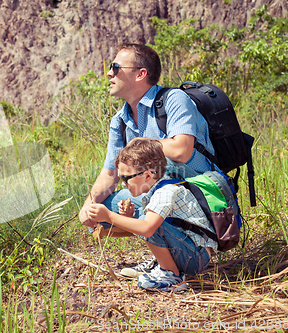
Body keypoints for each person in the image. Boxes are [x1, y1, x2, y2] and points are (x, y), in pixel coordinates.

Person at [79, 43, 215, 276]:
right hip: (156, 191)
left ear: (141, 74)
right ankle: (162, 256)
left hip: (193, 193)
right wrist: (88, 206)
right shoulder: (119, 120)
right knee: (103, 207)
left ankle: (180, 258)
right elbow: (110, 174)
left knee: (152, 200)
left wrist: (140, 143)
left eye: (115, 67)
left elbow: (182, 149)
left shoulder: (174, 99)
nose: (109, 73)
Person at [87, 138, 216, 291]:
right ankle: (166, 268)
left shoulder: (165, 192)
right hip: (190, 252)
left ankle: (171, 275)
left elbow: (148, 229)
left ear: (147, 176)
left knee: (146, 222)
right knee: (143, 220)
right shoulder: (157, 190)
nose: (123, 184)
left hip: (196, 258)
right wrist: (127, 218)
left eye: (126, 178)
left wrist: (109, 216)